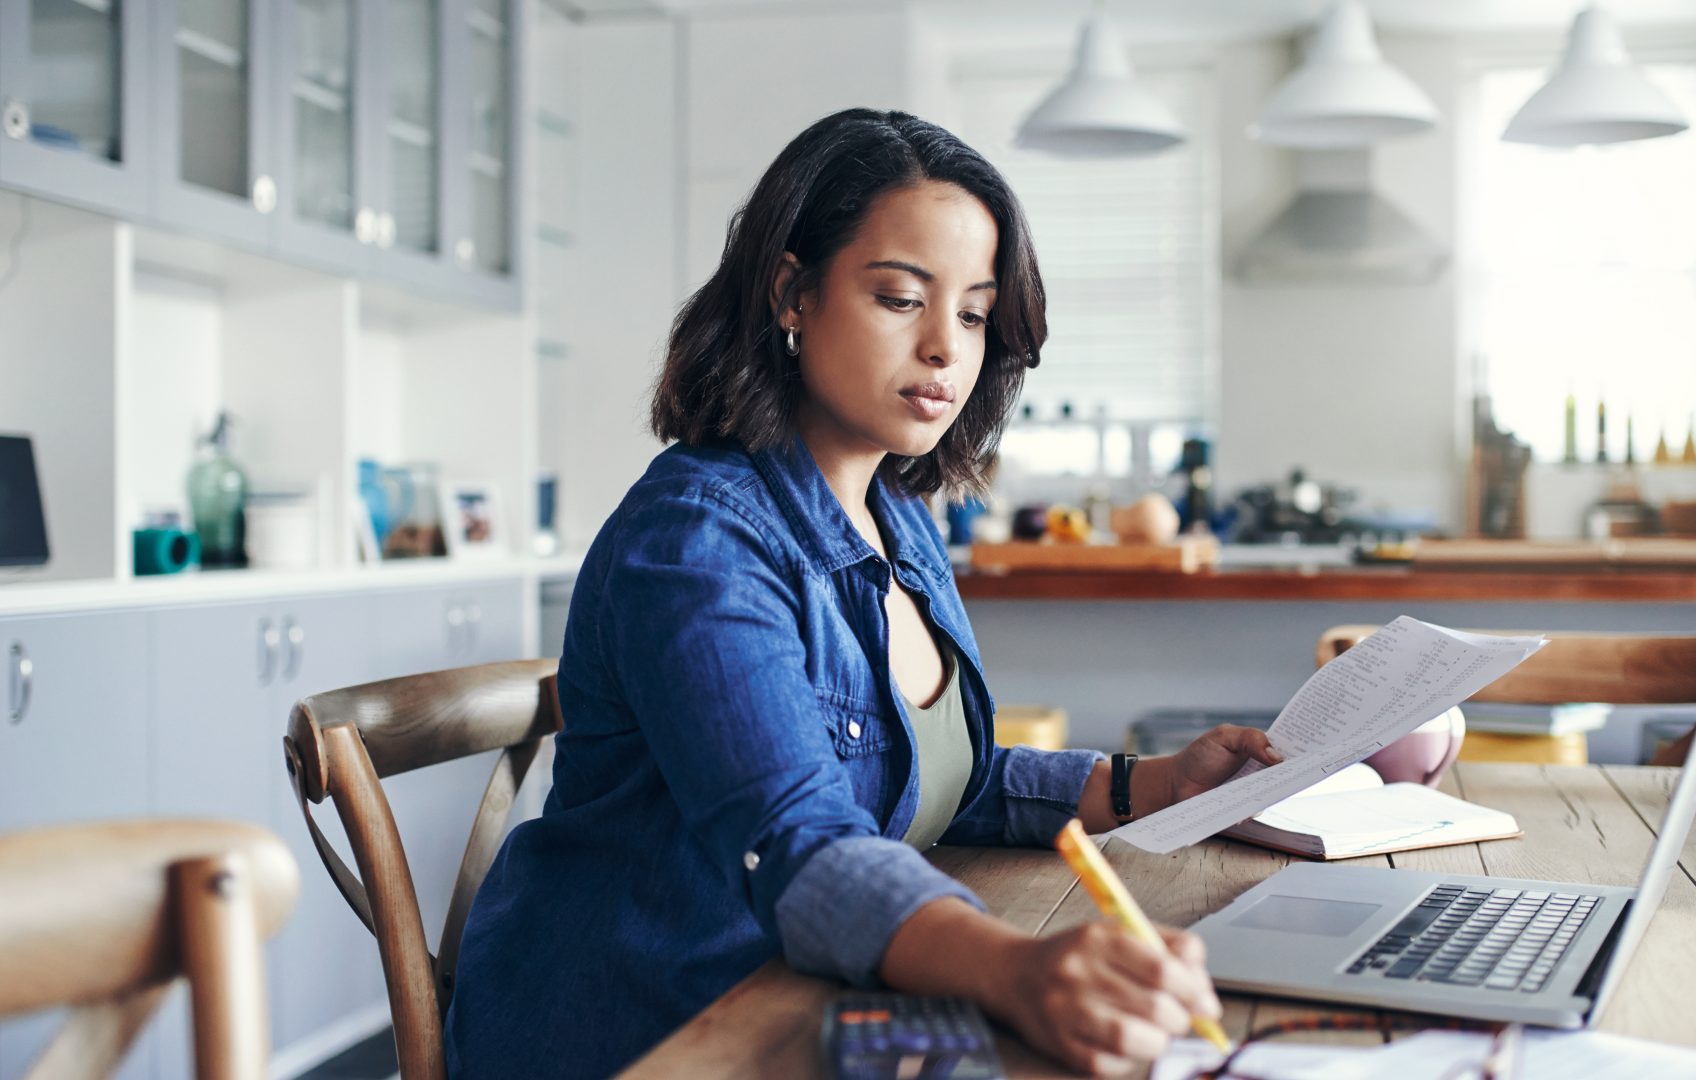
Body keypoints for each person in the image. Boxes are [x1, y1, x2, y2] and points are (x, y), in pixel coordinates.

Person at [443, 107, 1281, 1079]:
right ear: (793, 291)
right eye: (899, 298)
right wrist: (1015, 968)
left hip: (802, 998)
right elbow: (800, 837)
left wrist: (1149, 785)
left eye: (972, 313)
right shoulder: (697, 540)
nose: (945, 348)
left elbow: (919, 779)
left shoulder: (902, 518)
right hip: (648, 1030)